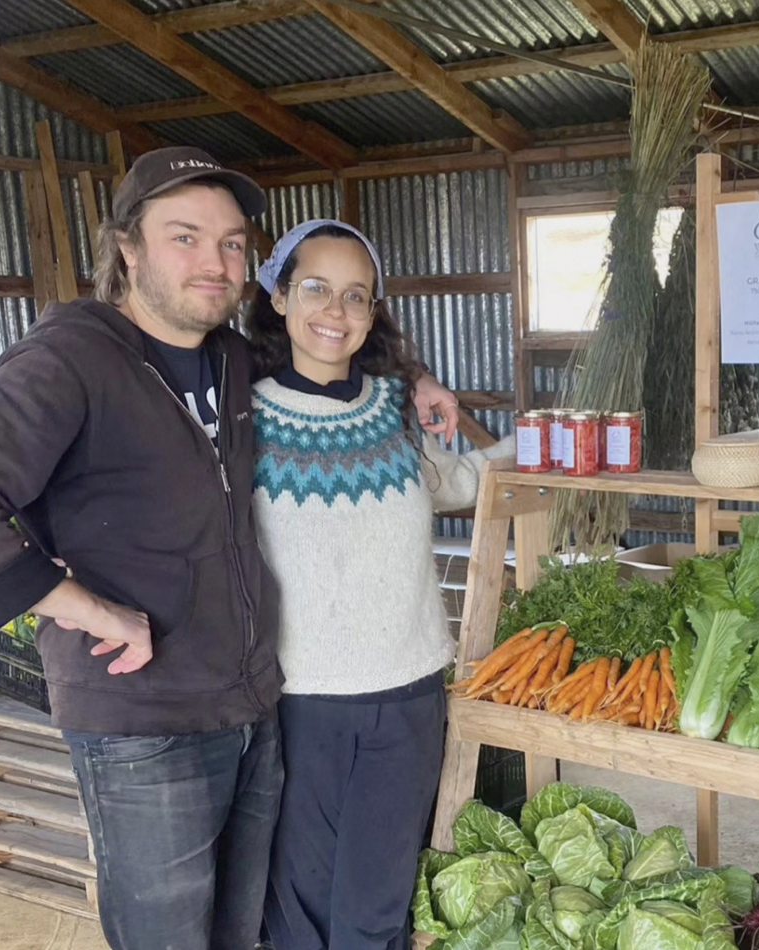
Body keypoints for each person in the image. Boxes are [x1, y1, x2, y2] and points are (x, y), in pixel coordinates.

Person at [0, 147, 463, 950]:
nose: (213, 262)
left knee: (246, 931)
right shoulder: (72, 358)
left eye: (231, 244)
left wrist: (414, 376)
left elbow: (340, 344)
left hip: (247, 706)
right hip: (143, 720)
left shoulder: (229, 363)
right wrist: (81, 605)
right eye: (184, 236)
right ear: (127, 246)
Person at [246, 219, 512, 950]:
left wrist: (547, 442)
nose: (336, 312)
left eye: (356, 296)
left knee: (377, 905)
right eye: (317, 290)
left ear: (373, 313)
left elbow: (455, 481)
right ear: (277, 297)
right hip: (299, 700)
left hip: (408, 696)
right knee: (297, 910)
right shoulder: (243, 415)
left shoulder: (393, 407)